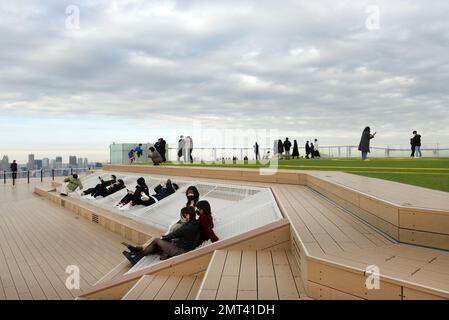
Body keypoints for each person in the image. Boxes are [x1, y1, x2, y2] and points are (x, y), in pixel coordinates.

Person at [122, 206, 200, 265]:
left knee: (157, 240)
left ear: (187, 215)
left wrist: (163, 238)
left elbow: (173, 234)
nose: (183, 217)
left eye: (183, 215)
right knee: (159, 243)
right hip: (183, 247)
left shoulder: (186, 227)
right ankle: (138, 254)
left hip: (182, 251)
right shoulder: (195, 223)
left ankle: (137, 257)